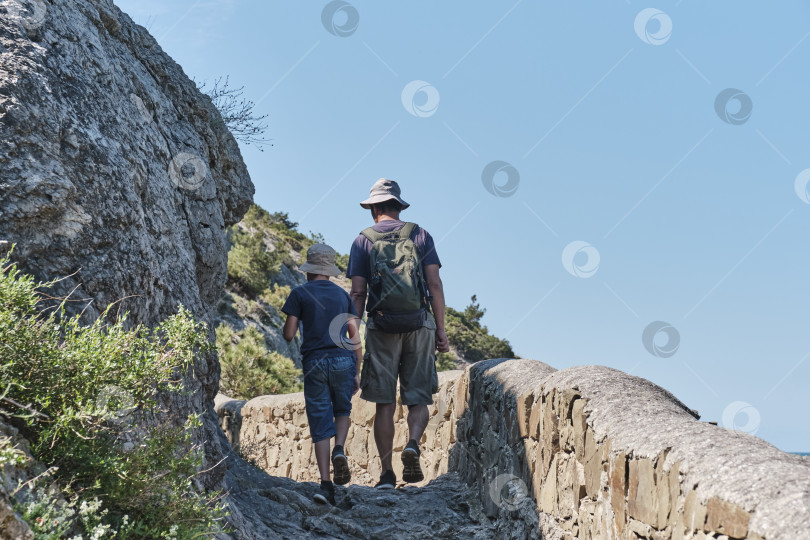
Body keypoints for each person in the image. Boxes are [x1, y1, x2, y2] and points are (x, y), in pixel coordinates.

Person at [347, 178, 450, 489]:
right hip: (419, 324)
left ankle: (387, 474)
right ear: (398, 206)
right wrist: (440, 328)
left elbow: (357, 292)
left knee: (384, 402)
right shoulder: (420, 235)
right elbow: (434, 285)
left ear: (374, 208)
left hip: (381, 327)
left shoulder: (362, 241)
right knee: (418, 396)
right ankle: (413, 443)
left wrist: (354, 333)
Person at [282, 243, 363, 505]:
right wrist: (356, 370)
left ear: (309, 270)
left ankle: (326, 485)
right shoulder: (342, 296)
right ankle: (340, 447)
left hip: (315, 362)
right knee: (342, 411)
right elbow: (354, 335)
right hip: (343, 359)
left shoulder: (299, 293)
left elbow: (289, 334)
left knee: (319, 423)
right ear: (328, 271)